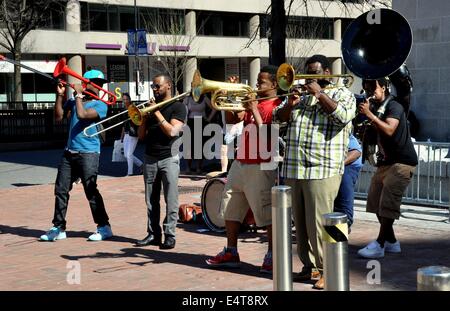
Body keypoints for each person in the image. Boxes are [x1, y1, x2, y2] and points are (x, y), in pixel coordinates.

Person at [273, 54, 356, 289]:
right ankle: (309, 266)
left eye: (314, 72)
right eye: (307, 72)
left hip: (322, 168)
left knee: (322, 223)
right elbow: (276, 121)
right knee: (299, 224)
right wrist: (290, 104)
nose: (309, 77)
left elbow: (343, 117)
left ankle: (329, 269)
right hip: (294, 166)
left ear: (327, 73)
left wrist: (319, 94)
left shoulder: (342, 93)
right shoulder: (299, 95)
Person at [205, 65, 281, 273]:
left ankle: (273, 255)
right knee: (230, 206)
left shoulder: (277, 105)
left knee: (264, 212)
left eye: (261, 82)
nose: (256, 85)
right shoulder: (253, 102)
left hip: (262, 163)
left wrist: (254, 108)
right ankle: (231, 251)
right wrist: (231, 97)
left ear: (274, 84)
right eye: (256, 81)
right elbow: (231, 120)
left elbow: (268, 136)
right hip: (241, 161)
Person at [40, 69, 112, 242]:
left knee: (91, 190)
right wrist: (60, 96)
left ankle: (104, 227)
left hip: (89, 153)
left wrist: (78, 96)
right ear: (85, 82)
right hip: (69, 152)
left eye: (100, 84)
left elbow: (83, 115)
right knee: (61, 190)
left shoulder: (101, 104)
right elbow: (58, 117)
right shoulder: (74, 100)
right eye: (95, 83)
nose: (99, 87)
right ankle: (58, 227)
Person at [357, 77, 417, 259]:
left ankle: (380, 244)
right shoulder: (375, 107)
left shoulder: (395, 106)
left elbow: (390, 129)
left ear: (384, 87)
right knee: (375, 202)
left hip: (402, 162)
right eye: (366, 89)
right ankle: (391, 241)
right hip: (386, 162)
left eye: (372, 88)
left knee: (388, 203)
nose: (369, 92)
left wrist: (370, 115)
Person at [135, 74, 187, 249]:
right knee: (151, 200)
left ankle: (170, 235)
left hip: (169, 158)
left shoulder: (179, 107)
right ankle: (153, 234)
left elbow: (172, 132)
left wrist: (156, 112)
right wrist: (142, 118)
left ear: (169, 86)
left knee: (171, 199)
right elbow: (141, 136)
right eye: (153, 87)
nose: (155, 90)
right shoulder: (151, 108)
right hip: (150, 157)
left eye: (158, 86)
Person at [333, 133, 363, 231]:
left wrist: (338, 166)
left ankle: (345, 222)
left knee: (343, 196)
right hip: (333, 167)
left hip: (348, 165)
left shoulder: (343, 132)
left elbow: (356, 152)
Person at [182, 94, 215, 174]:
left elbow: (214, 108)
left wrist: (209, 118)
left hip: (201, 122)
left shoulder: (204, 98)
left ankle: (198, 167)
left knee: (199, 146)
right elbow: (182, 110)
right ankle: (188, 167)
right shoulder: (188, 98)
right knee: (189, 146)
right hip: (190, 123)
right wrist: (183, 122)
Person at [120, 93, 143, 176]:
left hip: (133, 133)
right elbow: (123, 125)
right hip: (126, 133)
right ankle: (142, 165)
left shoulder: (133, 108)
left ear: (129, 99)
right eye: (124, 99)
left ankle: (130, 173)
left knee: (129, 154)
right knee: (126, 155)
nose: (125, 101)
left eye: (126, 99)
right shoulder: (123, 110)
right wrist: (121, 137)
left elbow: (138, 121)